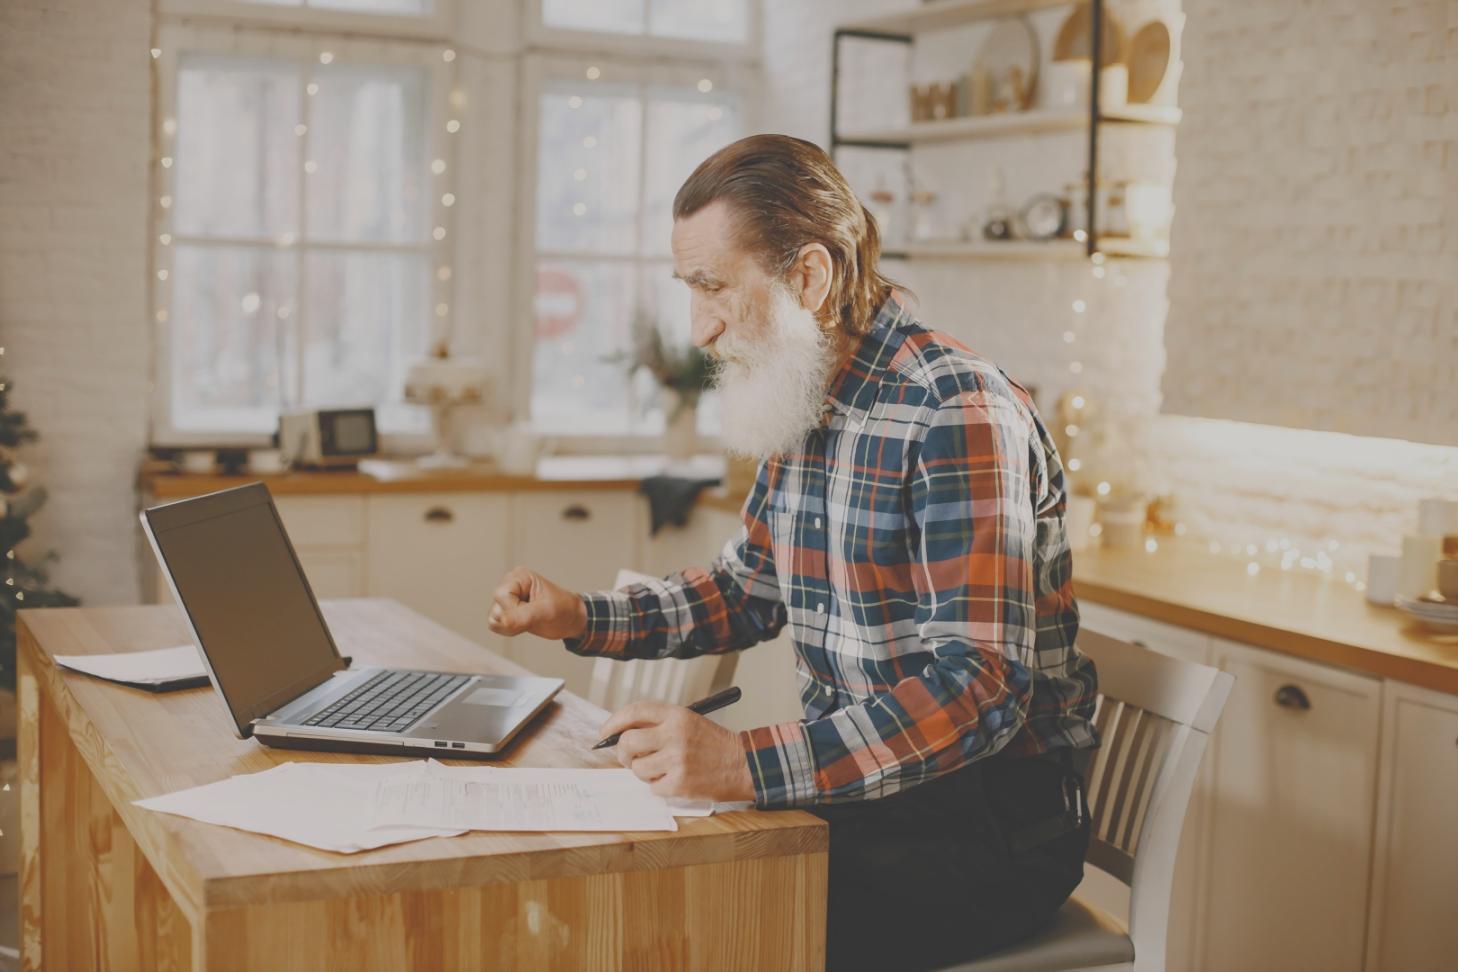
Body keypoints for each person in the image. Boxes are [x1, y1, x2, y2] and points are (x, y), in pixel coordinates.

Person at [489, 133, 1098, 971]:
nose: (699, 327)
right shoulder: (806, 389)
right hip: (868, 802)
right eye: (688, 288)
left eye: (713, 288)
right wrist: (583, 616)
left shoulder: (955, 409)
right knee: (612, 906)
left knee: (695, 927)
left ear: (809, 278)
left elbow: (979, 688)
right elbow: (749, 590)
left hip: (984, 828)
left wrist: (743, 761)